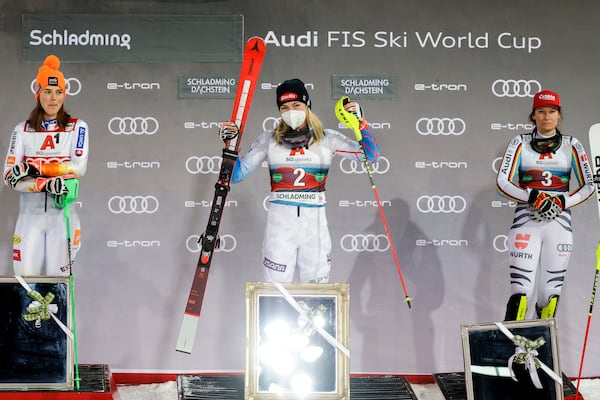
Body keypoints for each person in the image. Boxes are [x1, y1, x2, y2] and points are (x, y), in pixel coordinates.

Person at [218, 78, 380, 283]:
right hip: (280, 231)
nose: (290, 111)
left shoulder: (327, 138)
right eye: (284, 107)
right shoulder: (268, 140)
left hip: (315, 231)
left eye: (296, 105)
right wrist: (229, 147)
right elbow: (235, 175)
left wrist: (362, 124)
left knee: (317, 299)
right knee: (275, 294)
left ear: (307, 106)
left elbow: (370, 157)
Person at [496, 89, 594, 320]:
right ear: (533, 116)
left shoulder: (572, 144)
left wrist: (562, 200)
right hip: (526, 223)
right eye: (541, 112)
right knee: (521, 294)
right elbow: (502, 182)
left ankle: (539, 353)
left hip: (559, 224)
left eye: (551, 112)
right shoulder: (520, 142)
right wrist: (533, 197)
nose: (546, 117)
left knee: (549, 297)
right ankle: (516, 354)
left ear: (559, 115)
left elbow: (590, 186)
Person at [3, 54, 89, 276]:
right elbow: (8, 176)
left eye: (59, 92)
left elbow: (78, 167)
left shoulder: (77, 127)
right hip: (29, 217)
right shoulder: (22, 130)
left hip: (62, 217)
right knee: (24, 283)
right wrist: (42, 184)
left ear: (64, 94)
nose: (53, 98)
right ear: (38, 93)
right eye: (47, 91)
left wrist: (33, 169)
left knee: (59, 286)